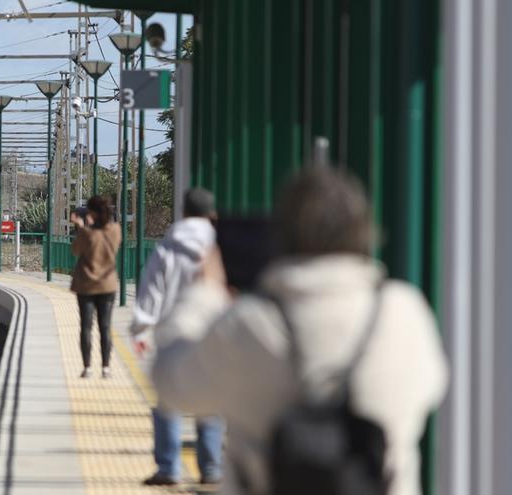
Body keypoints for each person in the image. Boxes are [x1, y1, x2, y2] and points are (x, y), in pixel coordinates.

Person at [151, 167, 448, 495]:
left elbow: (170, 384)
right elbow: (434, 386)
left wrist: (205, 293)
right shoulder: (402, 312)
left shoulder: (250, 323)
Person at [130, 188, 224, 487]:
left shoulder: (168, 247)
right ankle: (211, 468)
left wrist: (140, 327)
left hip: (172, 333)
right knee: (211, 397)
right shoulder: (219, 247)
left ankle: (169, 467)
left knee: (168, 398)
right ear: (212, 215)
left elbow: (151, 289)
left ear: (183, 213)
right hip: (213, 331)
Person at [70, 195, 122, 378]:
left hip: (86, 285)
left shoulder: (86, 233)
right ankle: (106, 368)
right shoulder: (116, 230)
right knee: (105, 326)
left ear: (91, 212)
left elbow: (76, 250)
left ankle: (87, 368)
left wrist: (81, 226)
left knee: (86, 326)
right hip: (107, 285)